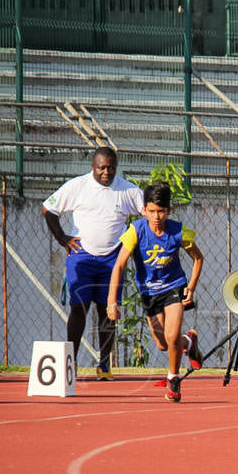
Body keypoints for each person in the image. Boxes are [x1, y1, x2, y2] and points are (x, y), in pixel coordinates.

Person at [43, 146, 144, 379]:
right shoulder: (78, 186)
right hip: (82, 255)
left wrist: (132, 244)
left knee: (108, 311)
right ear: (93, 167)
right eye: (101, 168)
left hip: (112, 259)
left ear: (116, 167)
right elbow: (48, 209)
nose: (106, 172)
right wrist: (62, 239)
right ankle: (71, 361)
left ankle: (104, 365)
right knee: (79, 308)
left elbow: (148, 214)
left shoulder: (128, 190)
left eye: (110, 168)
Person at [106, 182, 204, 403]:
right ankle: (189, 342)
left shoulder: (178, 231)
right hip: (149, 292)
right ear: (144, 210)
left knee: (171, 335)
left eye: (161, 211)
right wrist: (112, 302)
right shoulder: (136, 231)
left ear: (168, 210)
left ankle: (174, 379)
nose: (156, 216)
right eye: (151, 211)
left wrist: (191, 286)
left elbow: (198, 258)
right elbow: (119, 265)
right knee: (162, 343)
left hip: (174, 287)